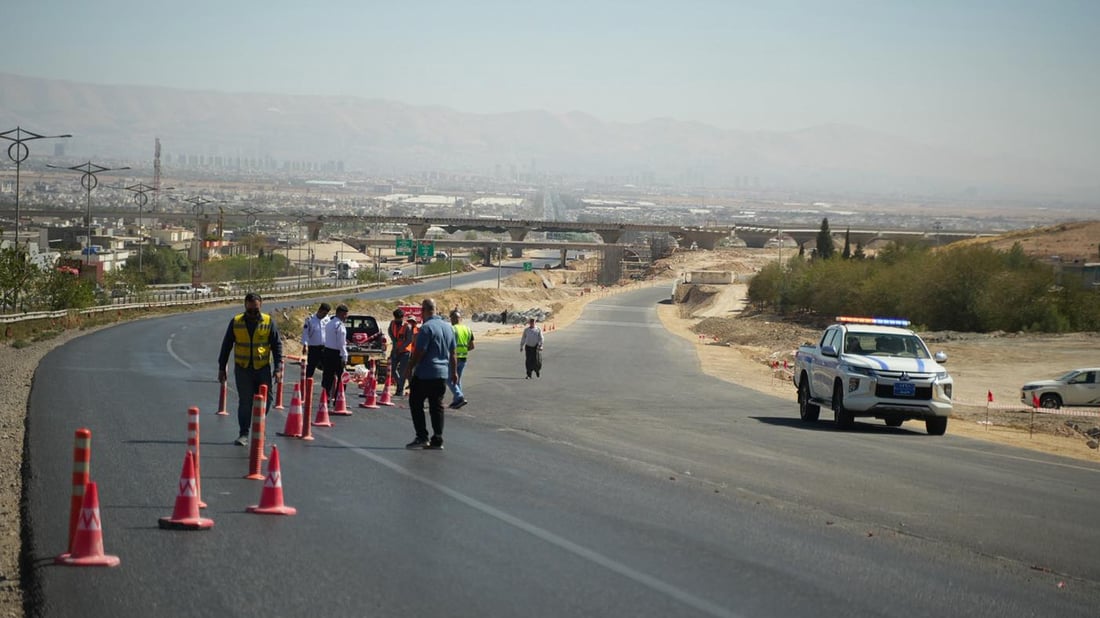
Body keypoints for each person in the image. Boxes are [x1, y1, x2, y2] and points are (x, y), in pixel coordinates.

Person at [218, 293, 284, 446]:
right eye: (250, 311)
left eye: (256, 310)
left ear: (261, 306)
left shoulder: (268, 321)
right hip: (243, 369)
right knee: (245, 401)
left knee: (267, 400)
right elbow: (226, 346)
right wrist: (222, 368)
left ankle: (257, 425)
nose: (254, 314)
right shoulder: (236, 322)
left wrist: (278, 368)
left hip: (262, 368)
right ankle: (244, 433)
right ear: (245, 307)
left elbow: (277, 345)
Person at [405, 298, 457, 450]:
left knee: (415, 403)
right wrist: (454, 372)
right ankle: (437, 439)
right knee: (437, 406)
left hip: (425, 373)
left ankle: (422, 436)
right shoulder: (448, 328)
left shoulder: (426, 328)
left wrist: (410, 366)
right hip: (442, 374)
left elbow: (420, 351)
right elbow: (453, 353)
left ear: (424, 310)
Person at [321, 304, 349, 406]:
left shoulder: (328, 324)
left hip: (327, 352)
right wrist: (345, 356)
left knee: (327, 377)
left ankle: (325, 398)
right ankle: (338, 400)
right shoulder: (340, 326)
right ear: (341, 314)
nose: (346, 317)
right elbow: (341, 344)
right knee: (343, 378)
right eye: (345, 315)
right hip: (337, 354)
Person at [447, 309, 474, 409]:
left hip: (454, 358)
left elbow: (448, 344)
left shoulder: (452, 329)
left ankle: (459, 396)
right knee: (457, 379)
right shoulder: (467, 329)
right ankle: (456, 401)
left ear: (452, 319)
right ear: (460, 319)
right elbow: (472, 346)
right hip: (463, 358)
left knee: (449, 379)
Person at [301, 302, 330, 379]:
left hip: (325, 348)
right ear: (320, 310)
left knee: (327, 369)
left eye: (326, 314)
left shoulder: (327, 319)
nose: (324, 315)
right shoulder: (310, 320)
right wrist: (305, 345)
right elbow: (305, 333)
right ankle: (306, 386)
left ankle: (326, 387)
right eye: (324, 313)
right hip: (314, 348)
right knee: (311, 368)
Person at [386, 307, 408, 395]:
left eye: (399, 319)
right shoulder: (392, 323)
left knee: (402, 371)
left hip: (405, 352)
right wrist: (394, 341)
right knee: (392, 368)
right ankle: (399, 384)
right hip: (395, 350)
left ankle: (400, 390)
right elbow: (390, 331)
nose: (397, 320)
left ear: (403, 318)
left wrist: (401, 347)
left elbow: (409, 340)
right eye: (396, 318)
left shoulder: (407, 326)